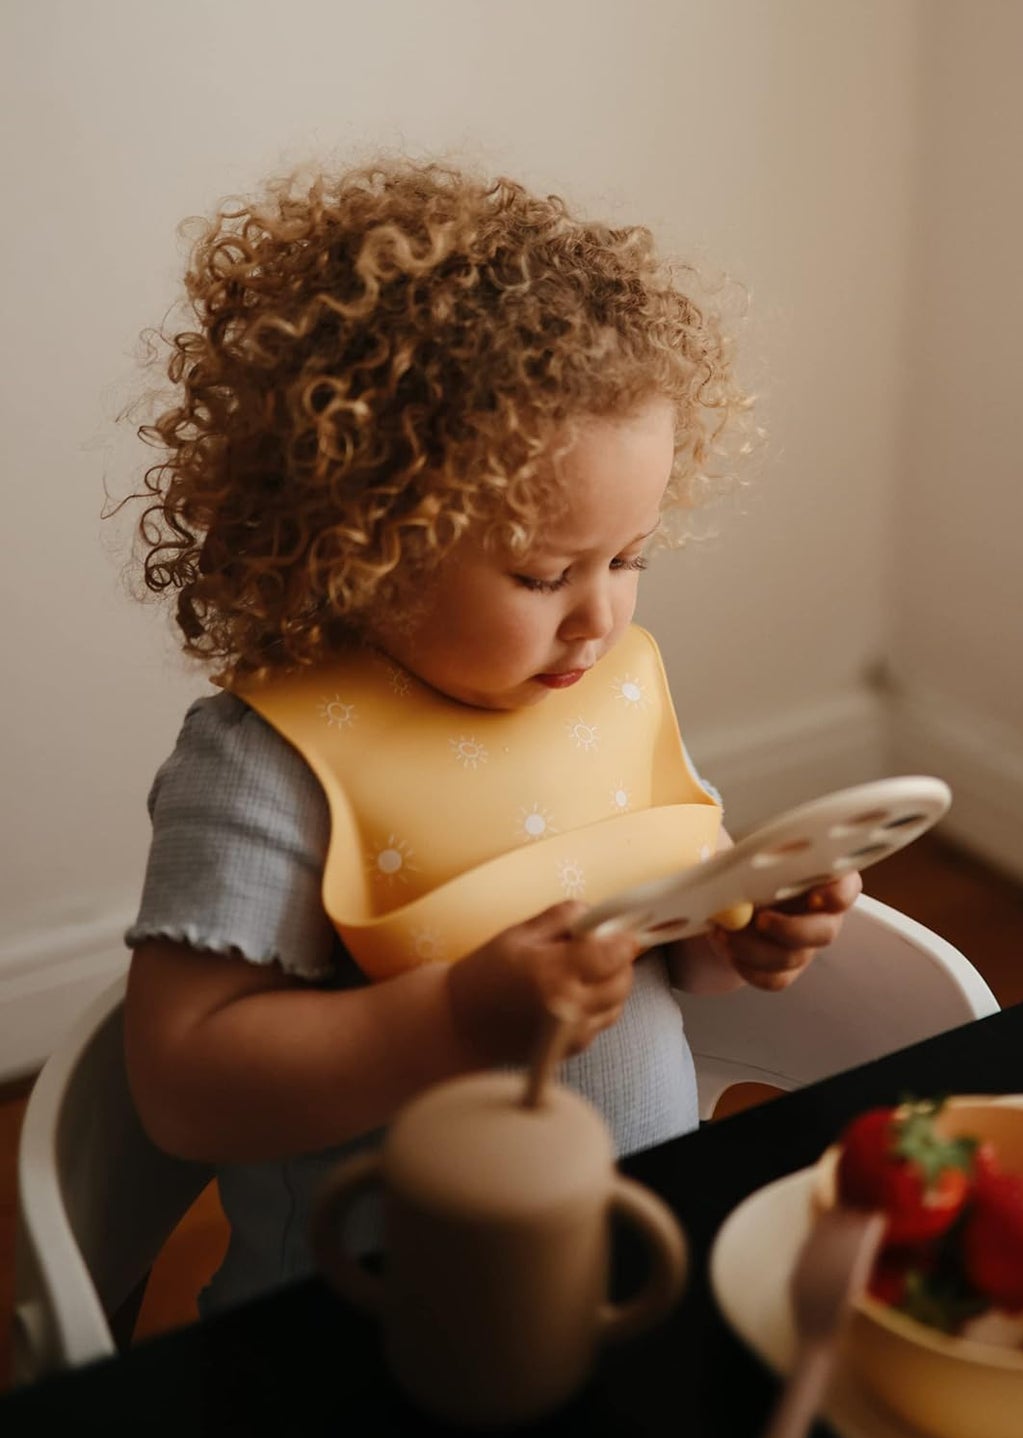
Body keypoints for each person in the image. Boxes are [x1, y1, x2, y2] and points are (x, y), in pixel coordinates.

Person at [118, 159, 862, 1314]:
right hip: (368, 1314)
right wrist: (457, 1016)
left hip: (622, 1273)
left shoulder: (596, 690)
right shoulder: (269, 762)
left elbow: (663, 948)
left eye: (629, 558)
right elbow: (184, 1086)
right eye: (540, 571)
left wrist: (743, 922)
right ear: (358, 537)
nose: (601, 615)